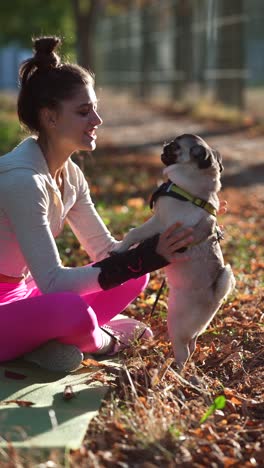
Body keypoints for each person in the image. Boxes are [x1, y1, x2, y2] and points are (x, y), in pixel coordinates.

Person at [0, 36, 197, 373]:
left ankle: (45, 345)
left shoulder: (70, 175)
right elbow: (52, 282)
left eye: (94, 108)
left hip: (20, 296)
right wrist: (147, 256)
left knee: (134, 276)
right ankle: (103, 340)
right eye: (83, 111)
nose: (97, 120)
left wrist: (167, 234)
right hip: (15, 304)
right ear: (49, 117)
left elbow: (106, 253)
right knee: (71, 311)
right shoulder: (22, 180)